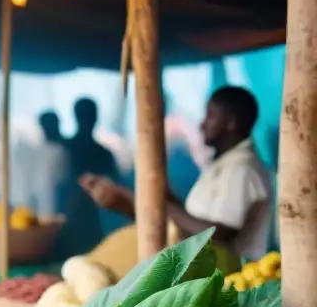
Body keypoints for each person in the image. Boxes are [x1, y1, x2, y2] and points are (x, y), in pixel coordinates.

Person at [80, 86, 272, 269]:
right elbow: (192, 219)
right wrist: (151, 197)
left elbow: (215, 236)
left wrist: (141, 204)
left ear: (231, 123)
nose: (202, 123)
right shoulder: (227, 163)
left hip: (232, 277)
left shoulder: (242, 168)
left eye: (210, 115)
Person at [57, 97, 117, 258]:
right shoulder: (102, 153)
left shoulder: (64, 148)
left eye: (89, 115)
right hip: (70, 219)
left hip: (89, 219)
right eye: (86, 115)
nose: (88, 119)